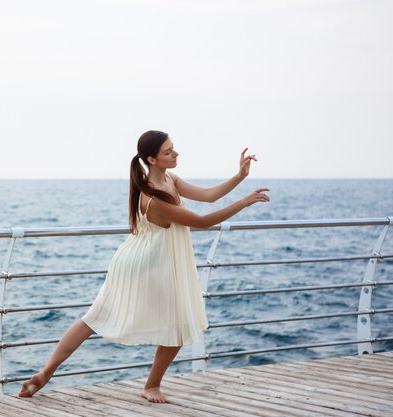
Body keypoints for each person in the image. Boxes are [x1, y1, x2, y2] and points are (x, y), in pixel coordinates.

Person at [18, 130, 270, 403]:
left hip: (149, 258)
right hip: (144, 263)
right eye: (168, 152)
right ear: (152, 159)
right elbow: (202, 222)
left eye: (174, 148)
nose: (175, 153)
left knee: (104, 318)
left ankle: (47, 375)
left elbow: (208, 195)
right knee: (127, 318)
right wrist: (244, 202)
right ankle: (146, 385)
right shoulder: (154, 198)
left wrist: (240, 176)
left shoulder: (169, 179)